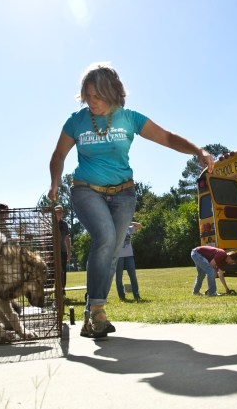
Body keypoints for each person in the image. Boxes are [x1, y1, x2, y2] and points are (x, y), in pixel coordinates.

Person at [48, 62, 214, 338]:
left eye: (97, 96)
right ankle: (99, 311)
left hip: (123, 193)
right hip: (86, 188)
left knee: (113, 248)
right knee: (105, 237)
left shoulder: (130, 118)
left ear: (112, 93)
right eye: (87, 96)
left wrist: (197, 151)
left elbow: (167, 137)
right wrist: (55, 182)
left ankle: (92, 312)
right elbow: (58, 155)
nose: (92, 102)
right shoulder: (76, 121)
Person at [115, 221, 142, 301]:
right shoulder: (114, 229)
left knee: (133, 276)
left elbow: (139, 225)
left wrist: (128, 221)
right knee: (119, 278)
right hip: (118, 256)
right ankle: (121, 297)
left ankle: (136, 295)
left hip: (129, 256)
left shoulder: (128, 228)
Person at [54, 205, 71, 290]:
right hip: (52, 252)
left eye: (60, 212)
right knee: (52, 272)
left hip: (62, 251)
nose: (59, 213)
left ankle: (62, 290)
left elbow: (67, 239)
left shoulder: (65, 224)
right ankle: (52, 290)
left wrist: (69, 252)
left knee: (63, 272)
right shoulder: (50, 223)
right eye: (57, 211)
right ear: (54, 213)